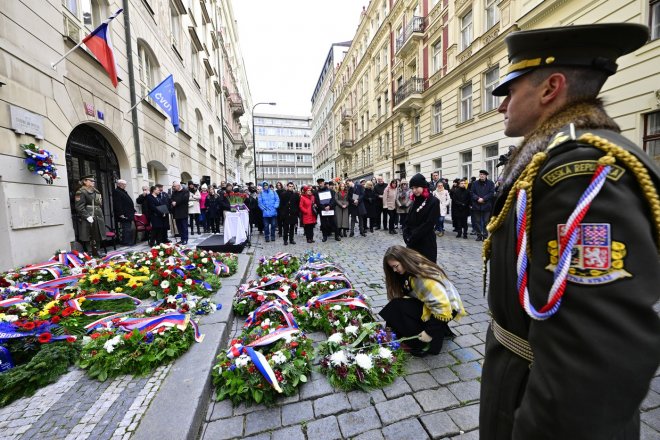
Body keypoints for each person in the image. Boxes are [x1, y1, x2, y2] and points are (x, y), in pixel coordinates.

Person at [479, 23, 660, 440]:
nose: (501, 105)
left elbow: (592, 359)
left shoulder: (577, 172)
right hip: (514, 380)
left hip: (535, 402)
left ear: (550, 89)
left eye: (509, 90)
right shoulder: (553, 158)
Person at [379, 245, 465, 357]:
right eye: (392, 268)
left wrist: (429, 333)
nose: (394, 270)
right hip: (433, 305)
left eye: (396, 266)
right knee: (396, 306)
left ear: (404, 260)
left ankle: (430, 341)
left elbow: (442, 307)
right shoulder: (409, 269)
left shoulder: (422, 277)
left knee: (398, 307)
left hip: (446, 309)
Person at [402, 173, 440, 263]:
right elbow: (408, 220)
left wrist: (412, 236)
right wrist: (406, 233)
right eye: (412, 188)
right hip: (412, 243)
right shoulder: (415, 201)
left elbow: (429, 223)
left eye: (416, 187)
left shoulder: (433, 201)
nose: (414, 190)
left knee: (426, 270)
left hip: (426, 242)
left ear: (423, 186)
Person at [74, 175, 105, 256]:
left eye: (93, 181)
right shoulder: (80, 192)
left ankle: (97, 251)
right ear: (85, 181)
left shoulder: (96, 191)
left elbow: (99, 203)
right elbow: (79, 207)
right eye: (91, 180)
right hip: (88, 216)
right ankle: (90, 252)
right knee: (89, 235)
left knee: (98, 234)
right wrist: (87, 216)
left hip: (97, 215)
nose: (93, 182)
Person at [470, 170, 495, 241]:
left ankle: (485, 235)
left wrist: (483, 199)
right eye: (480, 174)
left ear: (486, 175)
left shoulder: (490, 183)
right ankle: (479, 235)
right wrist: (477, 198)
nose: (481, 175)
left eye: (483, 174)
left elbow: (491, 193)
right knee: (477, 221)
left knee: (486, 221)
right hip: (476, 205)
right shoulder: (475, 183)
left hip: (486, 205)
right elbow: (472, 193)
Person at [112, 179, 135, 246]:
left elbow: (128, 202)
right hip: (124, 214)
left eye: (125, 184)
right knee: (126, 228)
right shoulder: (117, 191)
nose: (125, 185)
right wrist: (120, 213)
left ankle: (127, 241)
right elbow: (117, 203)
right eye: (124, 184)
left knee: (128, 228)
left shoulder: (123, 191)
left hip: (128, 213)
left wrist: (133, 210)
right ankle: (126, 242)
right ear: (119, 184)